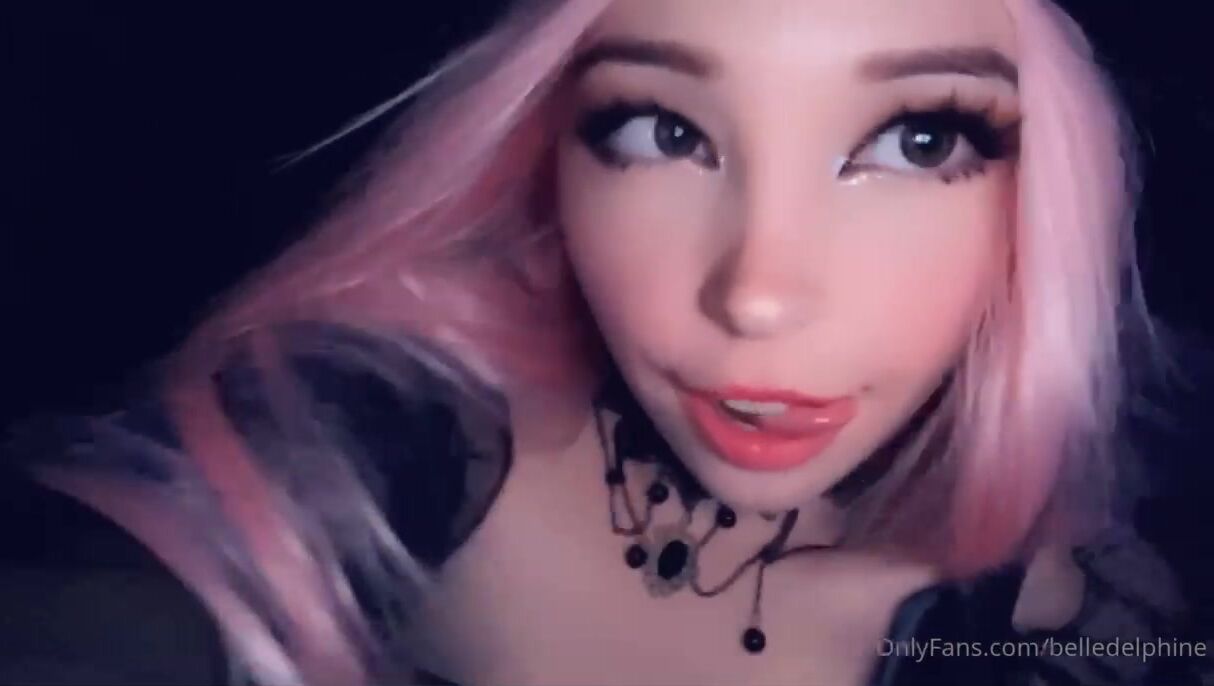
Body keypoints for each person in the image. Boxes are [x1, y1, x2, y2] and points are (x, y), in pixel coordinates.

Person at [2, 0, 1210, 684]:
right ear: (548, 155)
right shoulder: (397, 428)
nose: (756, 295)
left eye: (918, 140)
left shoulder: (1084, 614)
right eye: (661, 131)